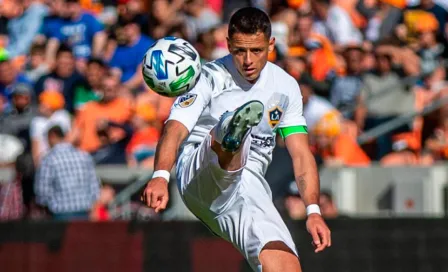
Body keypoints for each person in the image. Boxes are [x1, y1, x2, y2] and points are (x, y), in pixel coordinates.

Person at [142, 7, 330, 272]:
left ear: (271, 44)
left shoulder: (286, 86)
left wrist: (313, 211)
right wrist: (161, 175)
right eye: (240, 51)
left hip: (249, 188)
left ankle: (234, 134)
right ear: (228, 45)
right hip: (199, 174)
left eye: (257, 50)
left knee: (286, 265)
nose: (248, 60)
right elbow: (175, 129)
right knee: (228, 135)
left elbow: (300, 154)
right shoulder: (207, 77)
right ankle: (231, 131)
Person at [34, 125, 100, 221]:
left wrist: (45, 205)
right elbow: (94, 186)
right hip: (84, 212)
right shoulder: (84, 156)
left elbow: (42, 191)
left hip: (60, 214)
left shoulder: (49, 159)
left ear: (52, 136)